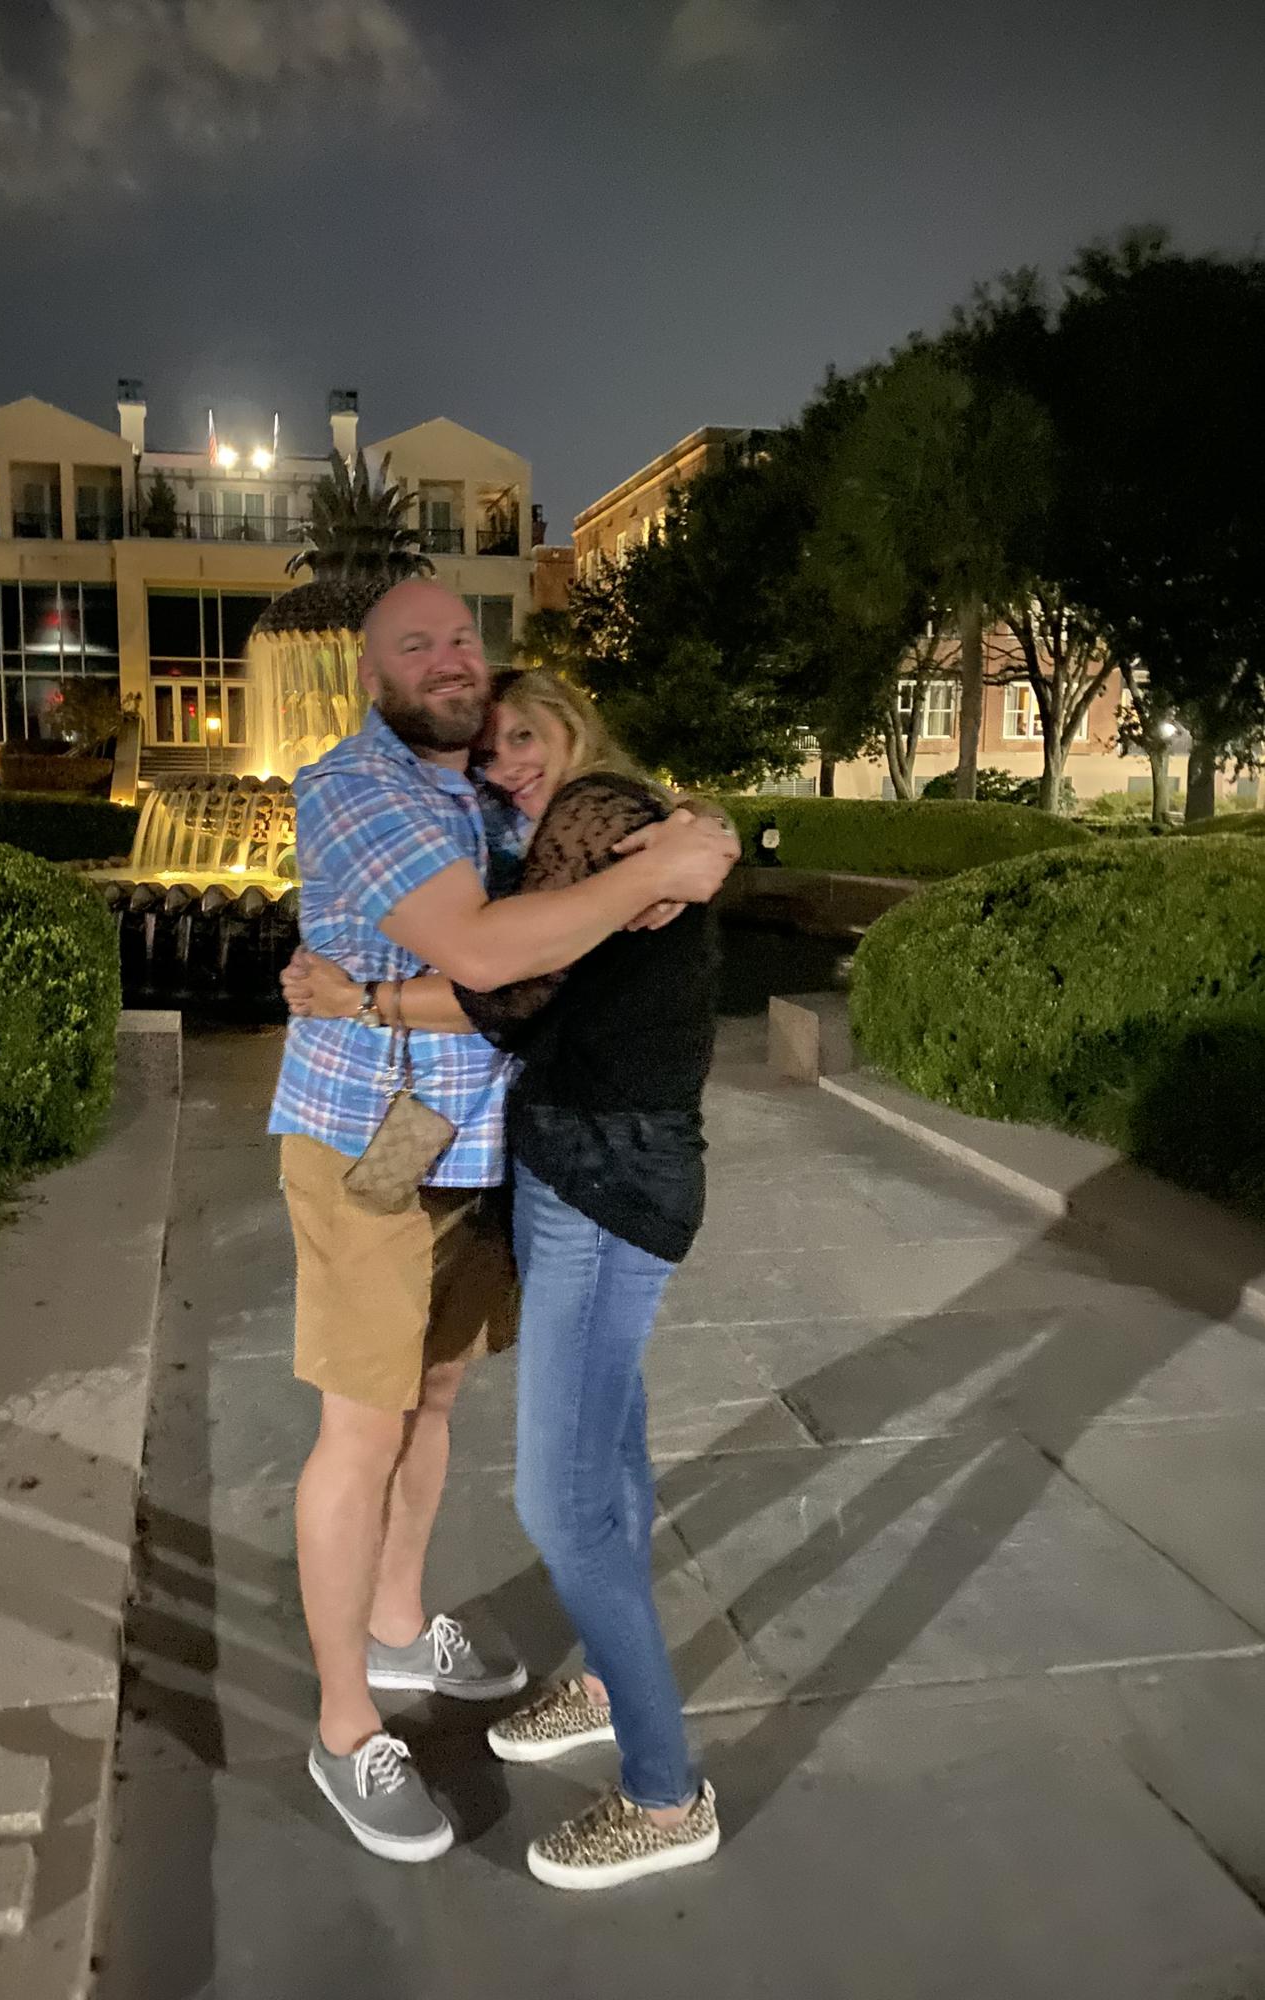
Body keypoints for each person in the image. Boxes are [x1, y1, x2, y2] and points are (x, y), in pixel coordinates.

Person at [267, 584, 739, 1867]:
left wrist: (669, 839)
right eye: (414, 644)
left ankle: (403, 1617)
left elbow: (532, 972)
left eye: (462, 637)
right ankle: (345, 1717)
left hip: (488, 1154)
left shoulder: (494, 793)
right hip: (372, 1149)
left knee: (431, 1402)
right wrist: (658, 860)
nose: (449, 661)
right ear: (368, 671)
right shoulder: (355, 789)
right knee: (361, 1430)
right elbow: (487, 957)